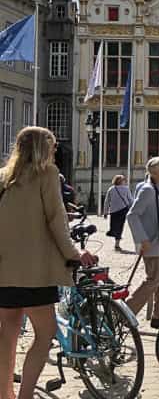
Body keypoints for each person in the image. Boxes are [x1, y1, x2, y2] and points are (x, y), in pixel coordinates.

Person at [0, 127, 98, 399]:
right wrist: (75, 254)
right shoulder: (47, 173)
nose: (55, 151)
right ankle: (26, 394)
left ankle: (4, 392)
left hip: (4, 270)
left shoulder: (4, 177)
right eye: (52, 146)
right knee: (45, 333)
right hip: (34, 272)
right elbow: (56, 220)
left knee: (7, 333)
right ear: (43, 149)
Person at [125, 156, 159, 329]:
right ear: (155, 173)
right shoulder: (148, 189)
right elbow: (132, 215)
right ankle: (126, 311)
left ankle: (158, 316)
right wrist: (142, 239)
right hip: (151, 242)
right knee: (153, 279)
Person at [103, 174, 133, 251]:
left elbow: (106, 201)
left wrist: (105, 212)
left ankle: (115, 238)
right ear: (121, 181)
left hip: (113, 211)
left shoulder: (111, 189)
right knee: (120, 226)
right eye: (123, 180)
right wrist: (132, 209)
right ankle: (117, 242)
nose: (124, 181)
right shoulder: (126, 189)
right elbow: (130, 200)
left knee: (114, 225)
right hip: (123, 210)